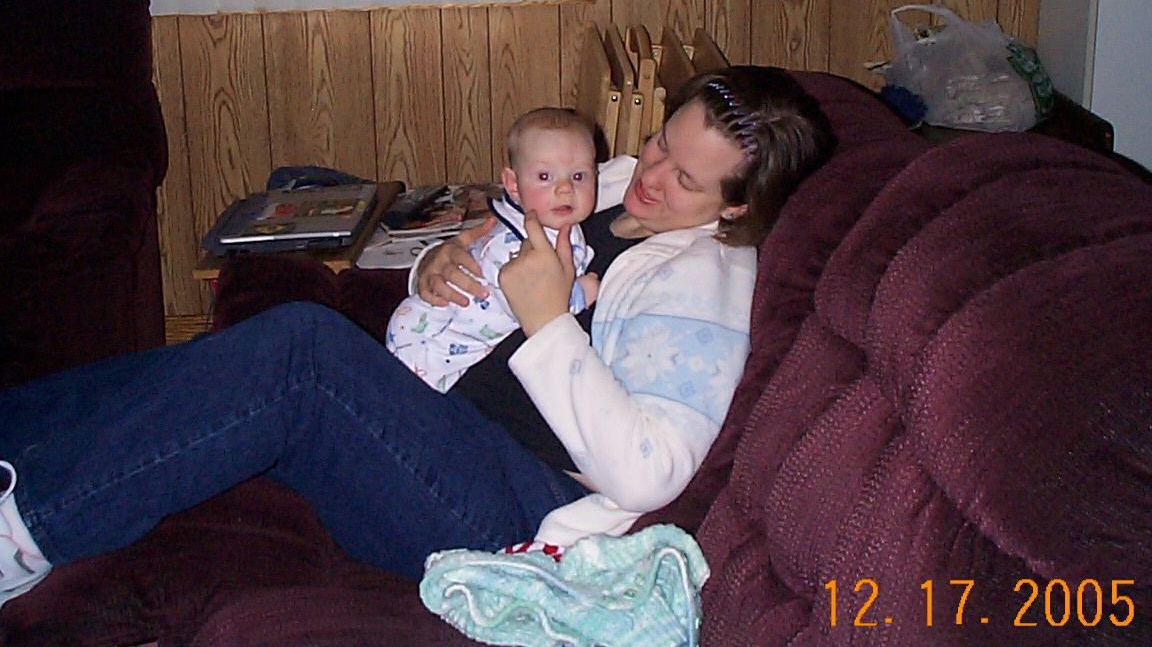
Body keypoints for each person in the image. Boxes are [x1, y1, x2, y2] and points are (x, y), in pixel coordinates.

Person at [0, 65, 835, 608]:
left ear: (735, 206)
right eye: (659, 141)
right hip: (443, 411)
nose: (649, 175)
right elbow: (499, 237)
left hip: (512, 506)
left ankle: (25, 534)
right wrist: (439, 261)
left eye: (684, 178)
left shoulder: (703, 283)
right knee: (227, 367)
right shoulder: (614, 184)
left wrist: (548, 320)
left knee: (300, 353)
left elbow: (651, 473)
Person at [387, 108, 600, 392]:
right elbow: (527, 301)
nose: (565, 189)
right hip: (430, 350)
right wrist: (578, 295)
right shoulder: (512, 245)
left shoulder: (558, 222)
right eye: (545, 176)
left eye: (579, 176)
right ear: (513, 185)